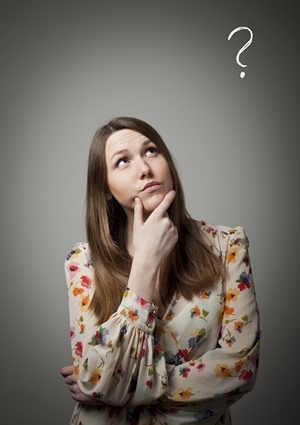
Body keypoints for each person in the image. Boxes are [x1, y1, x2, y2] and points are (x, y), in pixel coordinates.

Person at [60, 116, 261, 425]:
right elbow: (94, 374)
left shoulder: (226, 246)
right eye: (123, 161)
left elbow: (239, 369)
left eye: (151, 151)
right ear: (105, 189)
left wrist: (116, 389)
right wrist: (145, 264)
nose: (145, 169)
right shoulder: (84, 262)